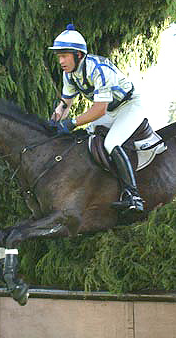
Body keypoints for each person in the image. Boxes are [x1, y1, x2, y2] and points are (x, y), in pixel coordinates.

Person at [49, 24, 145, 213]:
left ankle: (133, 196)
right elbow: (65, 103)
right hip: (111, 110)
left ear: (78, 55)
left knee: (111, 142)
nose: (60, 61)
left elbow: (99, 110)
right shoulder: (69, 74)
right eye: (58, 56)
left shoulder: (97, 68)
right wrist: (54, 120)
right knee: (86, 139)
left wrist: (72, 123)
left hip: (130, 106)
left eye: (64, 56)